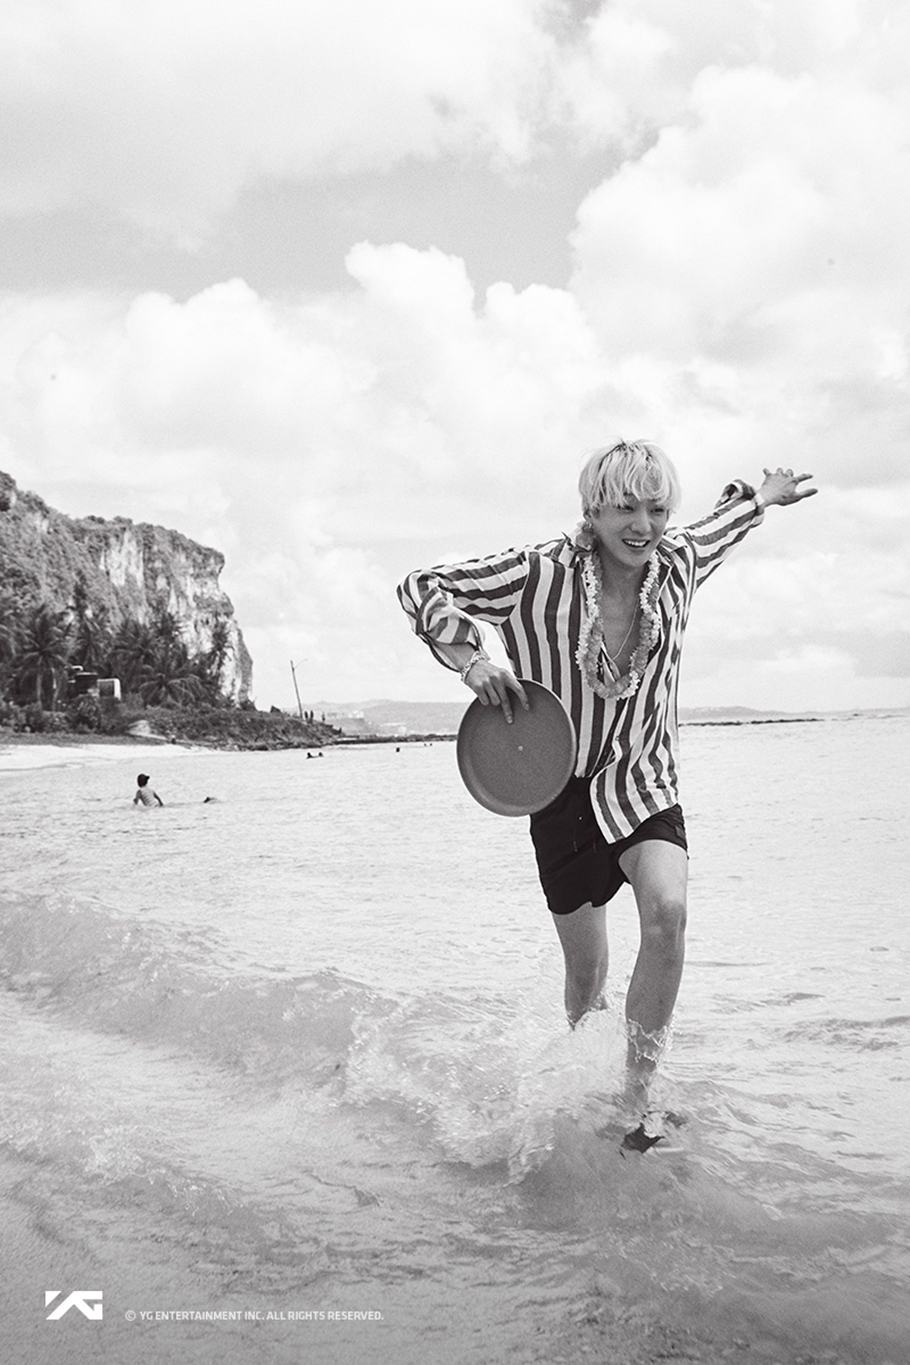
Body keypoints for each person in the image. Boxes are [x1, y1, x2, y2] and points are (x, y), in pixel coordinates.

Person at [397, 441, 816, 1135]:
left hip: (644, 780)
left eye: (657, 509)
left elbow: (720, 527)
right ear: (593, 510)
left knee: (668, 914)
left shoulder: (677, 563)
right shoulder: (535, 574)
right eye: (625, 508)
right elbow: (420, 585)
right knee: (586, 976)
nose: (643, 525)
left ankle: (634, 1098)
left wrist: (763, 497)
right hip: (557, 793)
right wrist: (470, 661)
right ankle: (577, 1096)